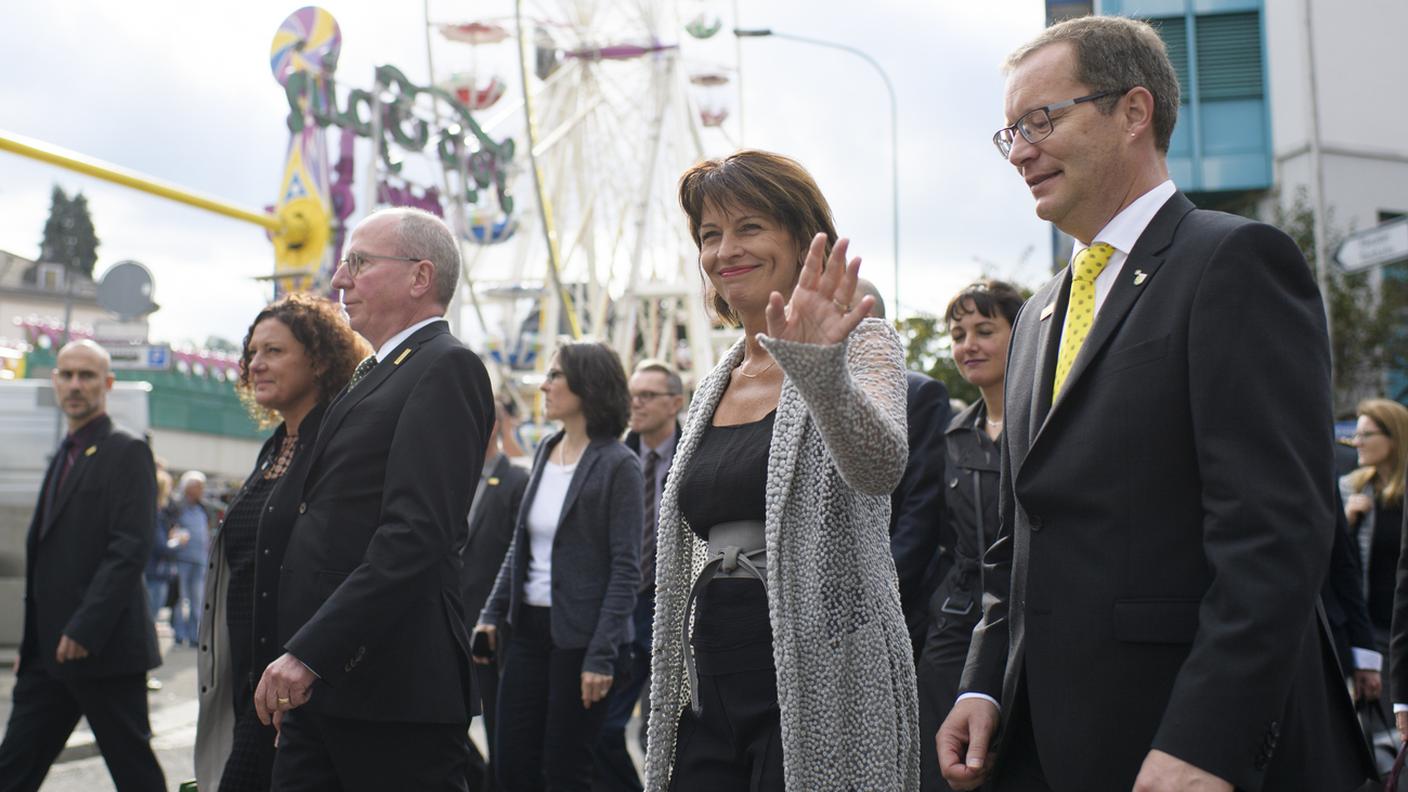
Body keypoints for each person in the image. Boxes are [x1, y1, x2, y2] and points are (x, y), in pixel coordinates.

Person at [937, 16, 1373, 792]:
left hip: (1184, 743)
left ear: (1134, 111)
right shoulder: (1036, 317)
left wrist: (1208, 739)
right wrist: (982, 681)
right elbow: (1018, 535)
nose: (1023, 150)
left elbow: (1274, 532)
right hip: (1043, 740)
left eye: (1042, 119)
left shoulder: (1233, 261)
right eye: (1010, 133)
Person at [644, 150, 917, 790]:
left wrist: (817, 369)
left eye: (749, 228)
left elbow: (880, 466)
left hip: (823, 671)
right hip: (711, 676)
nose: (724, 250)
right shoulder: (714, 383)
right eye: (710, 235)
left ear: (802, 239)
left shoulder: (864, 344)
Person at [254, 206, 495, 791]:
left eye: (358, 263)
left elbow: (416, 534)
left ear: (419, 277)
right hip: (330, 685)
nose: (340, 279)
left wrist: (311, 653)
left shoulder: (446, 367)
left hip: (390, 690)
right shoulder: (377, 373)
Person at [194, 293, 370, 792]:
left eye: (273, 351)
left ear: (318, 360)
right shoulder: (275, 446)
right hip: (253, 683)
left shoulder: (334, 445)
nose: (256, 365)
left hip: (295, 685)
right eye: (252, 353)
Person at [475, 340, 643, 792]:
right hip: (526, 632)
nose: (544, 386)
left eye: (554, 377)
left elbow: (627, 569)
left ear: (586, 387)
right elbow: (521, 544)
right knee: (511, 765)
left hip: (582, 641)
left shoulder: (619, 465)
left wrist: (602, 656)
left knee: (565, 772)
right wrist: (491, 615)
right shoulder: (547, 449)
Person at [0, 340, 165, 791]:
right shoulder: (65, 451)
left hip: (103, 650)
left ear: (107, 384)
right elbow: (50, 554)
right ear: (55, 381)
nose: (76, 385)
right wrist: (31, 640)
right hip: (46, 656)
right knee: (12, 770)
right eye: (67, 375)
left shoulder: (126, 450)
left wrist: (84, 628)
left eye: (87, 376)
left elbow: (129, 548)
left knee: (135, 774)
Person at [916, 279, 1023, 792]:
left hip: (1027, 617)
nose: (969, 345)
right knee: (940, 764)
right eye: (959, 334)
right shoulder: (954, 436)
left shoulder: (1046, 421)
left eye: (984, 330)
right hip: (958, 619)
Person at [593, 359, 686, 792]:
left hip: (678, 606)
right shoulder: (615, 458)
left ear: (676, 403)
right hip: (624, 606)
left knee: (664, 733)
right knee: (606, 729)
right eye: (633, 395)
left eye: (648, 396)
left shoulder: (696, 455)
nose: (637, 404)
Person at [855, 278, 951, 662]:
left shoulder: (919, 396)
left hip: (893, 603)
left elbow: (922, 507)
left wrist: (877, 596)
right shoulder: (800, 398)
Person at [462, 409, 530, 792]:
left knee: (502, 732)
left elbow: (520, 558)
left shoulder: (516, 482)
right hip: (449, 626)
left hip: (493, 634)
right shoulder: (451, 479)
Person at [1342, 401, 1408, 729]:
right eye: (1355, 434)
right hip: (1373, 631)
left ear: (1394, 437)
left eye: (1366, 434)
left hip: (1403, 628)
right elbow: (1337, 563)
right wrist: (1346, 521)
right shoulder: (1351, 489)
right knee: (1381, 734)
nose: (1357, 442)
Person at [170, 469, 210, 647]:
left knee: (196, 599)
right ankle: (179, 634)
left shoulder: (203, 508)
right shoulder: (177, 507)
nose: (201, 490)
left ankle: (194, 635)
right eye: (198, 487)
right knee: (180, 598)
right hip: (181, 559)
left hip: (198, 560)